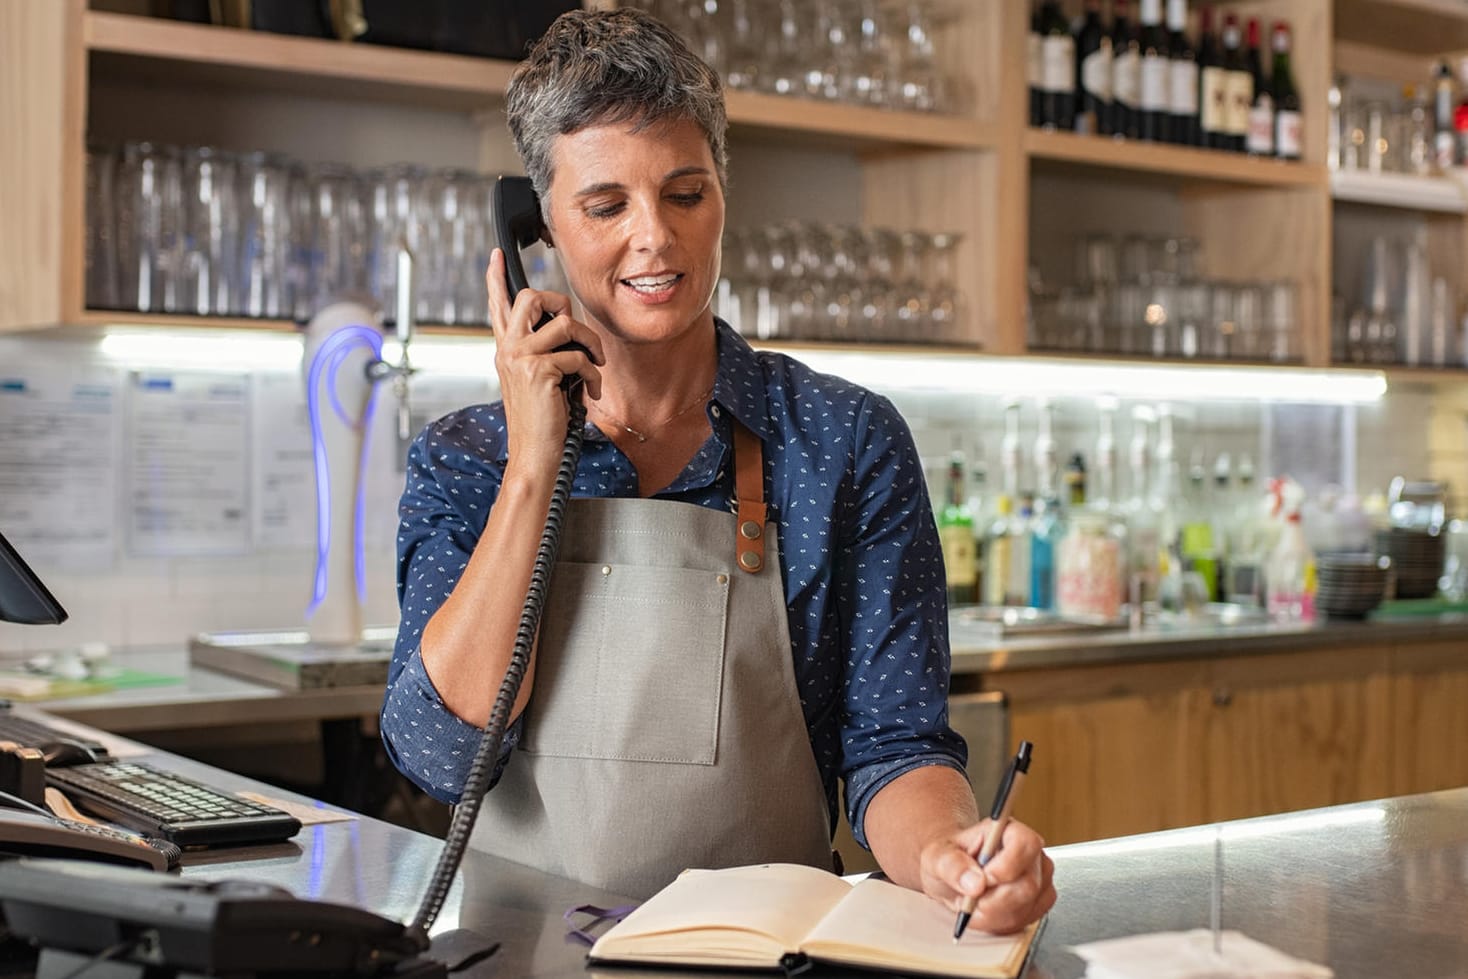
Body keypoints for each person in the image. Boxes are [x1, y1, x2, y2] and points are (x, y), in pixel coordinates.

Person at [381, 7, 1054, 933]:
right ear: (535, 227)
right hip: (522, 956)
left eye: (686, 193)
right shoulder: (467, 457)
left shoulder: (844, 440)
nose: (655, 238)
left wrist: (948, 854)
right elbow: (440, 756)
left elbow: (894, 745)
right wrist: (536, 459)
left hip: (768, 952)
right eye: (606, 205)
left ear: (724, 196)